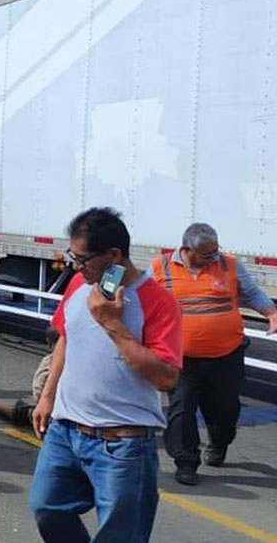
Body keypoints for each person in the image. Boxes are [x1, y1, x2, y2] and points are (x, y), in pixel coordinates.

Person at [29, 207, 182, 543]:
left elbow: (166, 377)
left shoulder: (157, 301)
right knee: (46, 507)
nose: (75, 266)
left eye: (82, 259)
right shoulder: (77, 285)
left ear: (114, 255)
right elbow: (66, 338)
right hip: (65, 431)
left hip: (122, 444)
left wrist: (112, 324)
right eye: (73, 257)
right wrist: (48, 396)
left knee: (120, 535)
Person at [151, 222, 277, 485]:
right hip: (180, 357)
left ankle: (219, 443)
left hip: (226, 355)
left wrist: (271, 313)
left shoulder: (229, 265)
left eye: (216, 250)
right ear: (186, 249)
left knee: (226, 411)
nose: (214, 257)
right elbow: (144, 302)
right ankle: (186, 462)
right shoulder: (159, 268)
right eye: (208, 254)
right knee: (182, 408)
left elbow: (252, 293)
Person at [0, 327, 59, 426]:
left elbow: (38, 390)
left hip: (59, 413)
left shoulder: (51, 361)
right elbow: (39, 391)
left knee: (23, 414)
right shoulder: (54, 362)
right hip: (55, 411)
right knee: (24, 413)